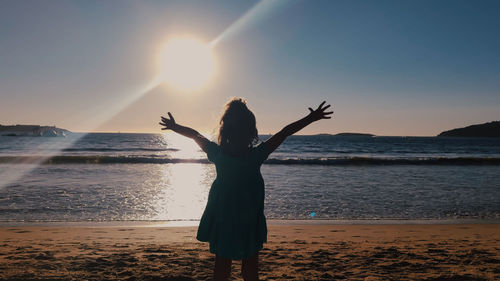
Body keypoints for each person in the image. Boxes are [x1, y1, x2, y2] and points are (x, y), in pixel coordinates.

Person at [159, 98, 332, 281]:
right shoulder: (257, 155)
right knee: (250, 269)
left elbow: (195, 135)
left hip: (224, 215)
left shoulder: (217, 154)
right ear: (251, 131)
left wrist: (175, 127)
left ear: (224, 131)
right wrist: (310, 118)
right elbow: (284, 133)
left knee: (222, 267)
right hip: (248, 217)